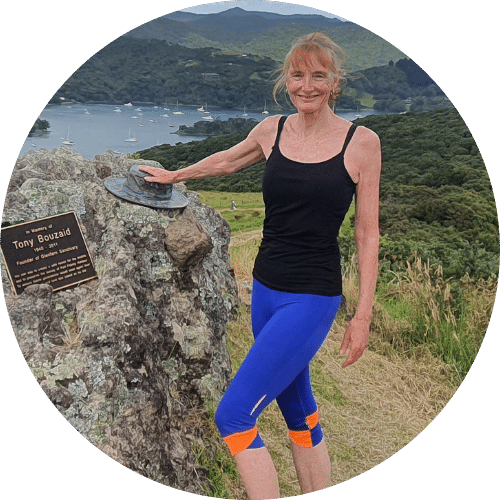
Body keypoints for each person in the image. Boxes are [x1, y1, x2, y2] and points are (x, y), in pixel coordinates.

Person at [140, 32, 381, 500]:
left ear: (335, 82)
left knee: (233, 416)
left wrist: (362, 315)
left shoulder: (362, 143)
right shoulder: (272, 130)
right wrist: (176, 174)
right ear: (284, 80)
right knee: (299, 409)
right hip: (266, 291)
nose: (306, 85)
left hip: (311, 297)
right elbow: (228, 162)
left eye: (318, 76)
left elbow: (367, 232)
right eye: (297, 75)